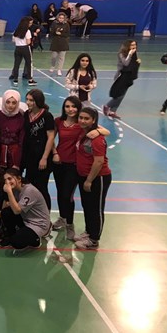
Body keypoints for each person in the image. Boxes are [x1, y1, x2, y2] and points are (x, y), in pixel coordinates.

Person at [52, 97, 109, 241]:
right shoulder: (58, 121)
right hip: (59, 163)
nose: (70, 109)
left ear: (78, 108)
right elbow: (51, 138)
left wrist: (98, 132)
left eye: (73, 106)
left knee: (67, 195)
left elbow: (105, 131)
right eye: (67, 106)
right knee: (60, 194)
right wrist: (54, 153)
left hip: (73, 166)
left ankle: (70, 225)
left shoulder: (82, 124)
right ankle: (63, 217)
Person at [73, 107, 112, 250]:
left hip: (98, 178)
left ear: (93, 120)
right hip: (83, 176)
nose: (82, 121)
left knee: (96, 209)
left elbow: (99, 162)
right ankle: (89, 232)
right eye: (81, 117)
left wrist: (89, 180)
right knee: (87, 206)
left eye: (86, 118)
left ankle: (94, 239)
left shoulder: (97, 139)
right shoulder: (84, 132)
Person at [0, 168, 51, 255]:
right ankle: (12, 235)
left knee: (16, 242)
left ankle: (36, 240)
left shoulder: (29, 190)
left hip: (38, 224)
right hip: (26, 219)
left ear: (19, 179)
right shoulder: (14, 189)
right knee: (5, 212)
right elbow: (6, 208)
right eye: (5, 180)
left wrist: (9, 192)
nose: (7, 182)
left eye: (10, 179)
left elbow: (17, 211)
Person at [22, 89, 55, 210]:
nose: (28, 102)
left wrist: (44, 158)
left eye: (31, 100)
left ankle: (46, 214)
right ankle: (33, 212)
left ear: (38, 101)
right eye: (27, 99)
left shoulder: (47, 115)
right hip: (30, 155)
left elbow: (51, 137)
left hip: (42, 155)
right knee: (29, 186)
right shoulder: (26, 114)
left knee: (42, 187)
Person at [104, 40, 140, 119]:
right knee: (119, 95)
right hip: (122, 76)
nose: (134, 46)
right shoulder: (121, 54)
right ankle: (107, 105)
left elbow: (134, 66)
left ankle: (113, 111)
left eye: (135, 45)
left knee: (122, 95)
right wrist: (130, 54)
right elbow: (125, 63)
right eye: (132, 45)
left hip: (129, 77)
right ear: (127, 46)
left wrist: (138, 63)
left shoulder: (135, 54)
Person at [0, 89, 24, 170]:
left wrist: (17, 163)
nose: (10, 105)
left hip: (14, 156)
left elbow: (21, 142)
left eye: (14, 103)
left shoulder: (21, 118)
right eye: (8, 102)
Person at [9, 17, 37, 86]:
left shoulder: (16, 31)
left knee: (16, 64)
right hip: (25, 48)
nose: (31, 24)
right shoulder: (27, 31)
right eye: (30, 23)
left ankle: (15, 79)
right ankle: (30, 80)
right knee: (29, 63)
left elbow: (13, 40)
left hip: (17, 48)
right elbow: (28, 42)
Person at [49, 11, 70, 76]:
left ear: (64, 18)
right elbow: (51, 32)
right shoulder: (54, 23)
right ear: (58, 18)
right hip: (55, 42)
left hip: (63, 43)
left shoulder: (66, 24)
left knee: (61, 58)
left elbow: (67, 34)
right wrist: (55, 32)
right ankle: (53, 66)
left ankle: (59, 70)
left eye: (62, 18)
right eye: (60, 18)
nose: (61, 19)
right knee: (54, 57)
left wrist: (61, 34)